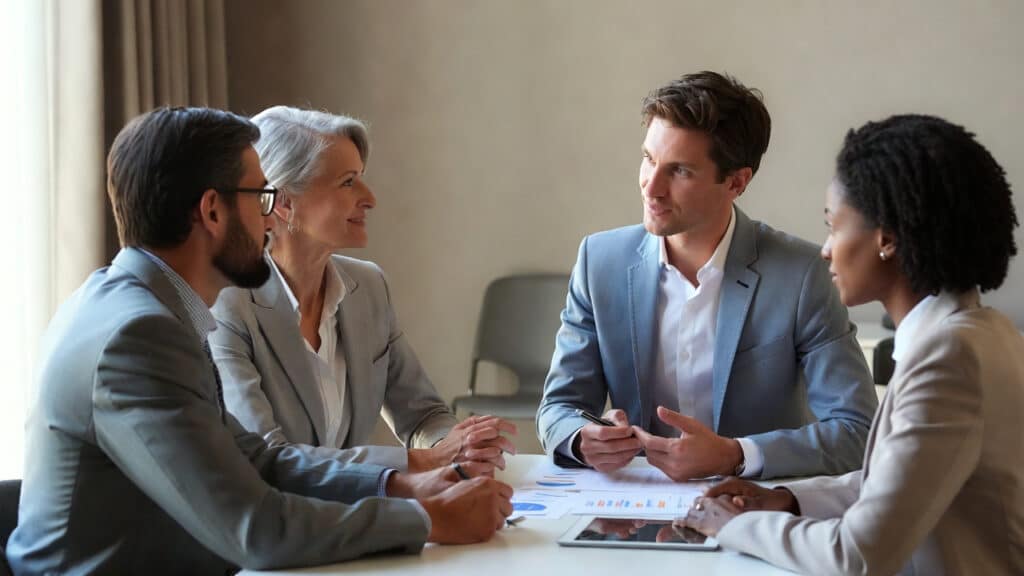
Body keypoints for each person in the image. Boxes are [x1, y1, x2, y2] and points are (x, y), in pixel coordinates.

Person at [5, 107, 513, 575]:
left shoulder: (143, 305)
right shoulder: (139, 334)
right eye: (262, 197)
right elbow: (257, 528)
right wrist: (426, 518)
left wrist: (398, 483)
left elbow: (255, 459)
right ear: (212, 211)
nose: (271, 218)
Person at [678, 114, 1024, 575]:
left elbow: (856, 556)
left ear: (886, 238)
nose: (826, 249)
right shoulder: (983, 332)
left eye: (834, 225)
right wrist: (785, 499)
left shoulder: (949, 359)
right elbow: (897, 485)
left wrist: (730, 526)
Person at [536, 71, 878, 480]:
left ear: (736, 182)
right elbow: (558, 408)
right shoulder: (599, 261)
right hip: (634, 501)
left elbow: (857, 432)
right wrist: (582, 439)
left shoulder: (801, 275)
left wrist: (736, 455)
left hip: (753, 508)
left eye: (680, 171)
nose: (652, 187)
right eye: (649, 159)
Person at [210, 106, 515, 474]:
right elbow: (270, 456)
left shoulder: (368, 286)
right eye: (348, 181)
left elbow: (423, 416)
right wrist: (423, 460)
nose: (370, 198)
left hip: (355, 516)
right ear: (284, 202)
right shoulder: (227, 304)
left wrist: (461, 446)